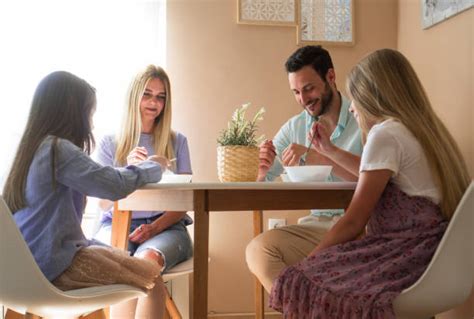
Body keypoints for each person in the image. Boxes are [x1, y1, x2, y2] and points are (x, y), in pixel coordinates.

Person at [269, 48, 471, 318]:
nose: (352, 107)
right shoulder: (425, 131)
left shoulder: (384, 134)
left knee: (303, 279)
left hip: (404, 256)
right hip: (436, 257)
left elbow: (353, 222)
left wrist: (310, 260)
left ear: (372, 96)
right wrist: (328, 150)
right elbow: (375, 173)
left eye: (356, 97)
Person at [2, 71, 169, 318]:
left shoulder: (26, 151)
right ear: (73, 113)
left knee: (94, 292)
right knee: (153, 281)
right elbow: (112, 184)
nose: (91, 123)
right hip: (56, 264)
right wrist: (154, 166)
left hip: (17, 271)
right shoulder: (59, 150)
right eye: (89, 113)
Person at [246, 45, 363, 292]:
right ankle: (309, 308)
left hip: (360, 226)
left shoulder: (363, 117)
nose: (303, 99)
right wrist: (262, 169)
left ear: (330, 77)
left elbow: (375, 179)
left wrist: (320, 158)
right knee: (258, 250)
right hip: (316, 226)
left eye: (309, 88)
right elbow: (261, 185)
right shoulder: (294, 127)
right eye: (296, 92)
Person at [92, 65, 193, 316]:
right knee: (123, 267)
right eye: (147, 94)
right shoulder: (109, 143)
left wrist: (155, 227)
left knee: (145, 264)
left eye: (161, 96)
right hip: (115, 226)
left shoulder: (177, 142)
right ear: (134, 96)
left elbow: (183, 203)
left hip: (167, 227)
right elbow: (103, 203)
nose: (153, 102)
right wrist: (128, 171)